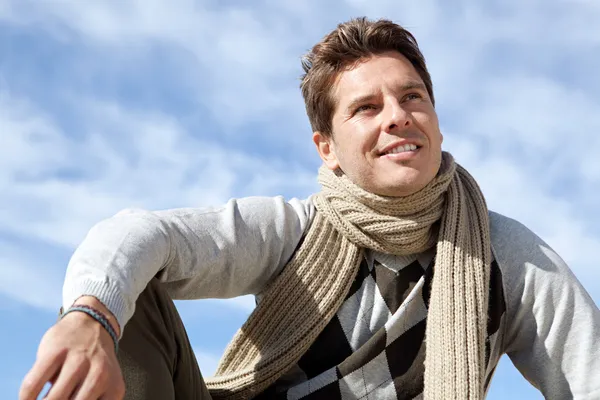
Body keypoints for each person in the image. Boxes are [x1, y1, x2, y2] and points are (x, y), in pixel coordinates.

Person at [19, 17, 599, 400]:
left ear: (436, 120)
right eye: (366, 108)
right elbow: (142, 232)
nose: (397, 116)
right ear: (329, 149)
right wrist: (90, 316)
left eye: (411, 97)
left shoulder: (508, 257)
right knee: (129, 288)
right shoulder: (292, 232)